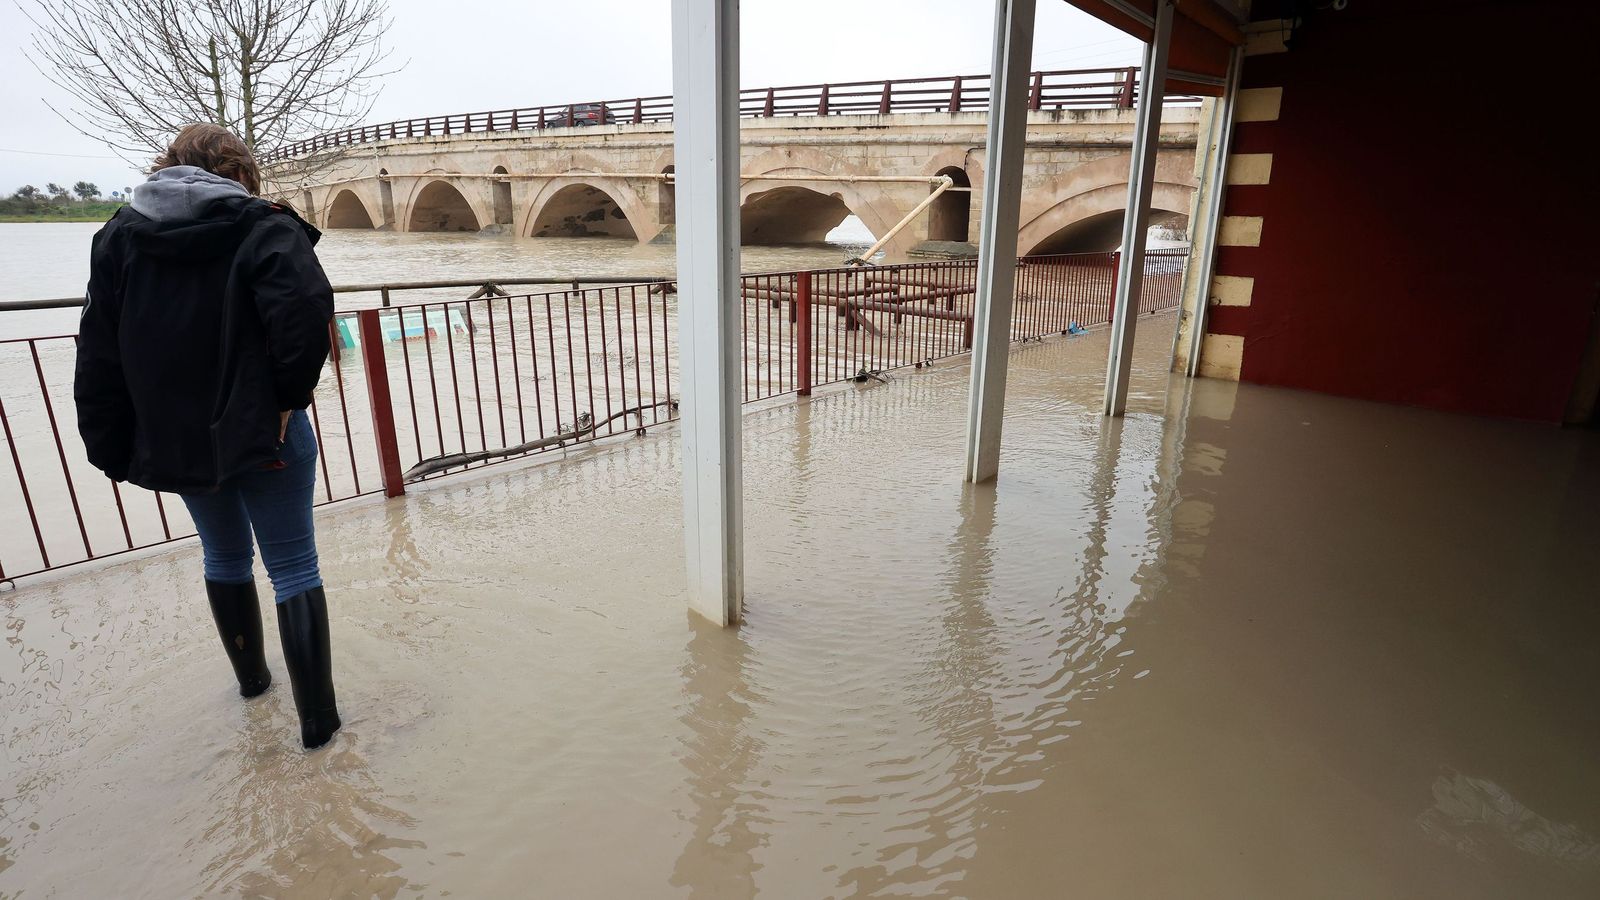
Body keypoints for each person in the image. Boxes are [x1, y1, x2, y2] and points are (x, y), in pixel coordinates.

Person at [74, 123, 342, 750]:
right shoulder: (265, 226)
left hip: (178, 433)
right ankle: (319, 727)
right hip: (266, 429)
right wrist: (285, 399)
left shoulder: (119, 235)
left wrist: (108, 435)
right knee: (294, 566)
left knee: (222, 556)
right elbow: (305, 315)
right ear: (242, 172)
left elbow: (98, 345)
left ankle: (252, 686)